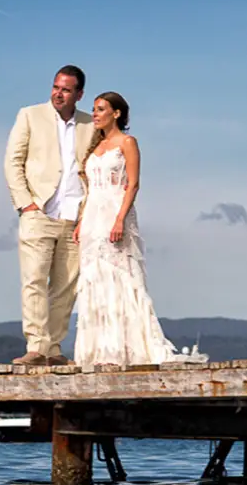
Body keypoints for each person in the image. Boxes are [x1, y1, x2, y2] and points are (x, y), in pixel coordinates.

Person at [73, 92, 206, 367]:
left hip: (114, 210)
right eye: (94, 110)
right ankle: (97, 351)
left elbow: (133, 184)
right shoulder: (95, 147)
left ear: (116, 113)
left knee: (120, 275)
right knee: (93, 278)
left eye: (100, 110)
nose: (95, 114)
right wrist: (80, 219)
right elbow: (88, 189)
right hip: (92, 218)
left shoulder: (127, 143)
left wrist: (120, 218)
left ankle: (124, 348)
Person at [4, 66, 94, 366]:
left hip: (75, 217)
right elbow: (13, 162)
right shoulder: (29, 115)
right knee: (33, 281)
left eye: (66, 89)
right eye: (55, 87)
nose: (58, 93)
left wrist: (88, 213)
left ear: (79, 94)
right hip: (39, 211)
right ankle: (36, 346)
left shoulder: (89, 123)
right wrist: (26, 204)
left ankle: (53, 349)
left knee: (67, 287)